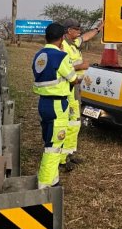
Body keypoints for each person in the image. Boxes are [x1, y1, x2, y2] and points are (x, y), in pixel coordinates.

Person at [32, 22, 79, 189]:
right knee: (54, 146)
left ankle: (53, 179)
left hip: (43, 103)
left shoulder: (38, 55)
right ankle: (45, 184)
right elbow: (73, 79)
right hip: (58, 104)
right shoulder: (61, 56)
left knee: (49, 139)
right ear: (61, 38)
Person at [60, 17, 104, 169]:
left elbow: (86, 37)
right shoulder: (63, 46)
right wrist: (81, 66)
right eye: (77, 29)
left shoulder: (74, 43)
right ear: (69, 31)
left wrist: (98, 28)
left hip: (76, 87)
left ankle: (69, 154)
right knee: (68, 122)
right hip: (68, 88)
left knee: (75, 122)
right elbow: (62, 68)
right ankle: (62, 158)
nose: (79, 32)